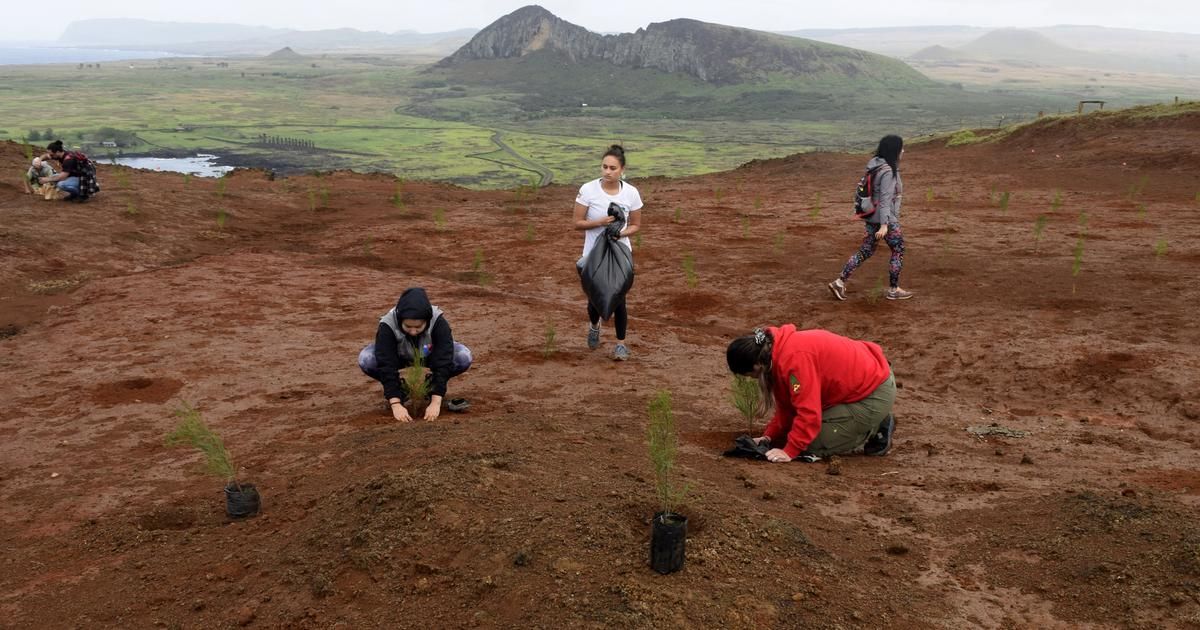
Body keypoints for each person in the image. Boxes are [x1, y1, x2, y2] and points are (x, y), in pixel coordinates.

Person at [726, 325, 897, 463]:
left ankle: (876, 425)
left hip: (874, 391)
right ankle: (868, 418)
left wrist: (790, 451)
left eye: (750, 375)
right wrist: (768, 437)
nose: (753, 379)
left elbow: (809, 413)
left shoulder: (794, 363)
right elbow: (788, 406)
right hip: (859, 383)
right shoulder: (775, 350)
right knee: (792, 436)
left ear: (757, 365)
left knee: (810, 444)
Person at [357, 288, 472, 422]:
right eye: (407, 326)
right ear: (400, 320)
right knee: (367, 359)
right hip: (399, 356)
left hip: (428, 354)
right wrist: (396, 404)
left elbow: (443, 360)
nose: (413, 332)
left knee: (463, 356)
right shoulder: (387, 325)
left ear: (426, 321)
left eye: (418, 327)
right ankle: (401, 391)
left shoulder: (439, 322)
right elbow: (386, 364)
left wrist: (435, 402)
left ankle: (430, 386)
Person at [573, 144, 643, 360]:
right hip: (592, 256)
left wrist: (620, 233)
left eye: (613, 168)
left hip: (620, 254)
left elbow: (636, 225)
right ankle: (595, 325)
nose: (607, 171)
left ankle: (620, 345)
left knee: (619, 298)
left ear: (622, 169)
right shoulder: (588, 190)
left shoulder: (631, 192)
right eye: (604, 167)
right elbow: (577, 223)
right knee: (595, 298)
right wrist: (599, 222)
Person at [828, 134, 913, 301]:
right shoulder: (888, 171)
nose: (903, 150)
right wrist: (884, 225)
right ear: (894, 150)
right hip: (885, 219)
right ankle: (894, 289)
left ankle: (840, 282)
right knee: (898, 250)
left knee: (865, 251)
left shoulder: (875, 166)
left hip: (870, 217)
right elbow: (885, 200)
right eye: (901, 147)